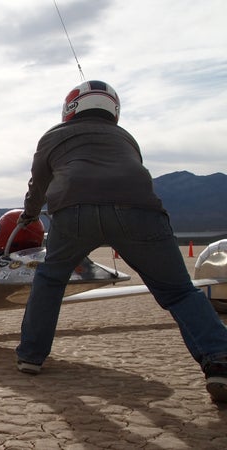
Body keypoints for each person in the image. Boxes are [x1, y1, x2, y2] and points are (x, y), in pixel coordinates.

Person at [14, 80, 227, 404]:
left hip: (74, 212)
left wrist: (29, 215)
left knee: (50, 280)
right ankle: (220, 359)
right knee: (180, 292)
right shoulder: (125, 137)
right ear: (112, 109)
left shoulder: (53, 136)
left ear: (70, 108)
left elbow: (38, 185)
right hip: (140, 212)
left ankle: (31, 356)